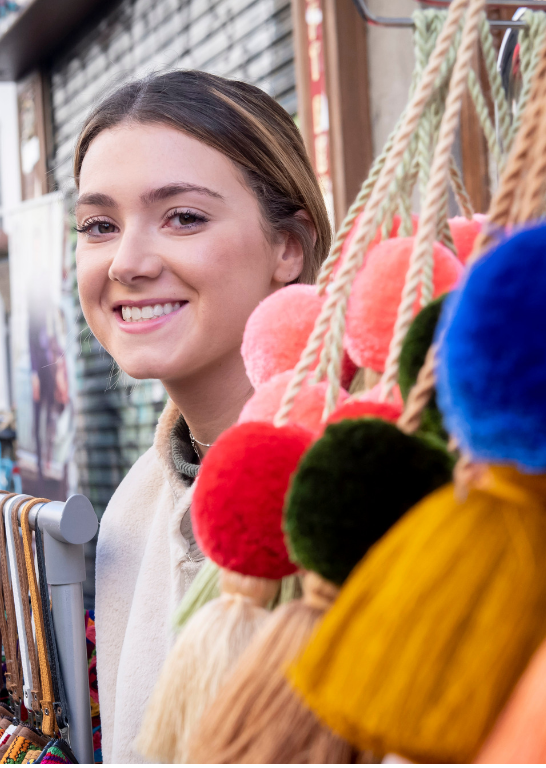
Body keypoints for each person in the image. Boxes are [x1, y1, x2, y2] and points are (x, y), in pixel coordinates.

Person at [74, 70, 331, 763]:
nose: (126, 262)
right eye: (99, 225)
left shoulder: (348, 497)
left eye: (183, 216)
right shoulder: (136, 503)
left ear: (289, 246)